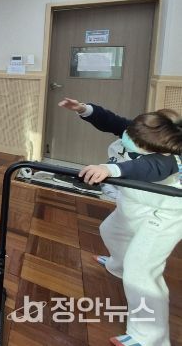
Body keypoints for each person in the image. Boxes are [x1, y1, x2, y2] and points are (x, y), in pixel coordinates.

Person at [62, 99, 182, 346]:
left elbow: (147, 167)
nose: (125, 135)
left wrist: (110, 170)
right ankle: (119, 266)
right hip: (138, 202)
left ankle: (150, 338)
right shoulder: (140, 133)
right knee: (111, 230)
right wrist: (84, 109)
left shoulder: (168, 159)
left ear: (156, 147)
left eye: (132, 138)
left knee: (141, 270)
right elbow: (112, 121)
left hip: (166, 214)